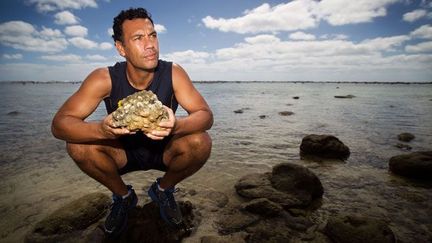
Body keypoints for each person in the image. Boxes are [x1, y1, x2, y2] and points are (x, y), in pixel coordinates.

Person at [51, 7, 213, 235]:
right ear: (121, 48)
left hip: (164, 150)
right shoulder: (104, 78)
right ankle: (124, 197)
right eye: (138, 38)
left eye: (153, 35)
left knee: (201, 141)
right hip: (123, 153)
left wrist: (178, 125)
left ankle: (163, 190)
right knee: (77, 144)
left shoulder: (173, 72)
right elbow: (59, 125)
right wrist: (101, 130)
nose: (150, 45)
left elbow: (205, 115)